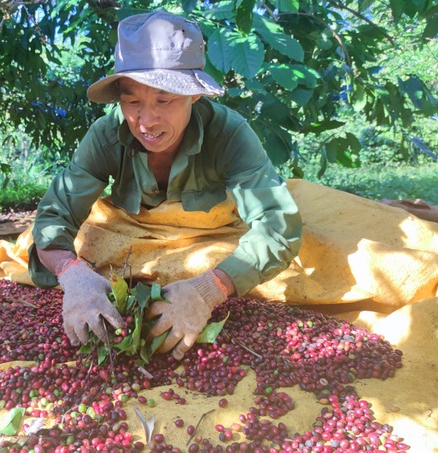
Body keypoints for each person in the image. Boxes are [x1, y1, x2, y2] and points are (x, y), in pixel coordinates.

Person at [28, 11, 303, 360]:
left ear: (195, 96)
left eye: (164, 100)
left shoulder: (230, 134)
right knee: (39, 243)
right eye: (132, 101)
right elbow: (54, 218)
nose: (146, 121)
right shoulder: (106, 134)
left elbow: (278, 227)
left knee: (300, 269)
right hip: (133, 228)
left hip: (211, 233)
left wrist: (209, 288)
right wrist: (73, 275)